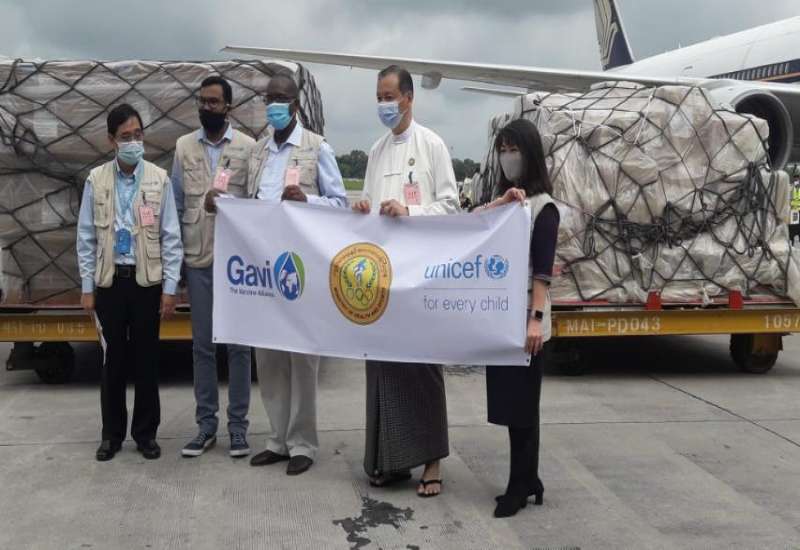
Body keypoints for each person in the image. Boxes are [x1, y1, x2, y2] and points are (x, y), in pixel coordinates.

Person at [206, 72, 348, 476]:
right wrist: (222, 203)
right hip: (263, 269)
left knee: (302, 358)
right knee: (268, 358)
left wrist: (309, 200)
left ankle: (303, 443)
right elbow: (248, 204)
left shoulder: (317, 148)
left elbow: (340, 204)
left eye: (281, 98)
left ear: (296, 105)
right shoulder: (259, 152)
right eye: (269, 98)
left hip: (302, 267)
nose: (274, 105)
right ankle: (278, 439)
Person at [352, 65, 460, 497]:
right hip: (382, 278)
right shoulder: (376, 151)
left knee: (422, 368)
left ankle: (432, 462)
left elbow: (451, 207)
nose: (384, 104)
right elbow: (368, 201)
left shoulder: (432, 144)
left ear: (409, 98)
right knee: (382, 367)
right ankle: (390, 460)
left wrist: (409, 212)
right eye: (379, 96)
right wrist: (363, 207)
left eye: (390, 96)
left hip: (420, 277)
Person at [76, 103, 183, 462]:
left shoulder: (158, 179)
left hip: (145, 283)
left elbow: (171, 236)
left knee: (146, 360)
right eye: (126, 137)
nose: (134, 142)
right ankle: (111, 435)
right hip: (110, 283)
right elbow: (86, 237)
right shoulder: (96, 180)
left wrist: (169, 289)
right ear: (111, 141)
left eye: (138, 135)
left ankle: (146, 434)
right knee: (113, 362)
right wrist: (87, 288)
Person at [477, 118, 560, 518]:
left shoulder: (544, 208)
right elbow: (473, 224)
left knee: (524, 405)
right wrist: (501, 203)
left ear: (530, 155)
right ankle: (529, 478)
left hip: (527, 315)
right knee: (515, 404)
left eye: (515, 150)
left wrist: (535, 319)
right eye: (503, 151)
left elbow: (542, 270)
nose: (508, 158)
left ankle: (519, 485)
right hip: (502, 315)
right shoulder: (507, 203)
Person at [171, 76, 257, 459]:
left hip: (235, 263)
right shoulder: (184, 147)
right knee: (202, 346)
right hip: (199, 258)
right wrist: (176, 263)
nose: (207, 108)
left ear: (228, 107)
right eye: (202, 101)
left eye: (213, 102)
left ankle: (238, 428)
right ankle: (206, 426)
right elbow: (175, 206)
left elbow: (256, 205)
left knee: (238, 347)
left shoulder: (248, 149)